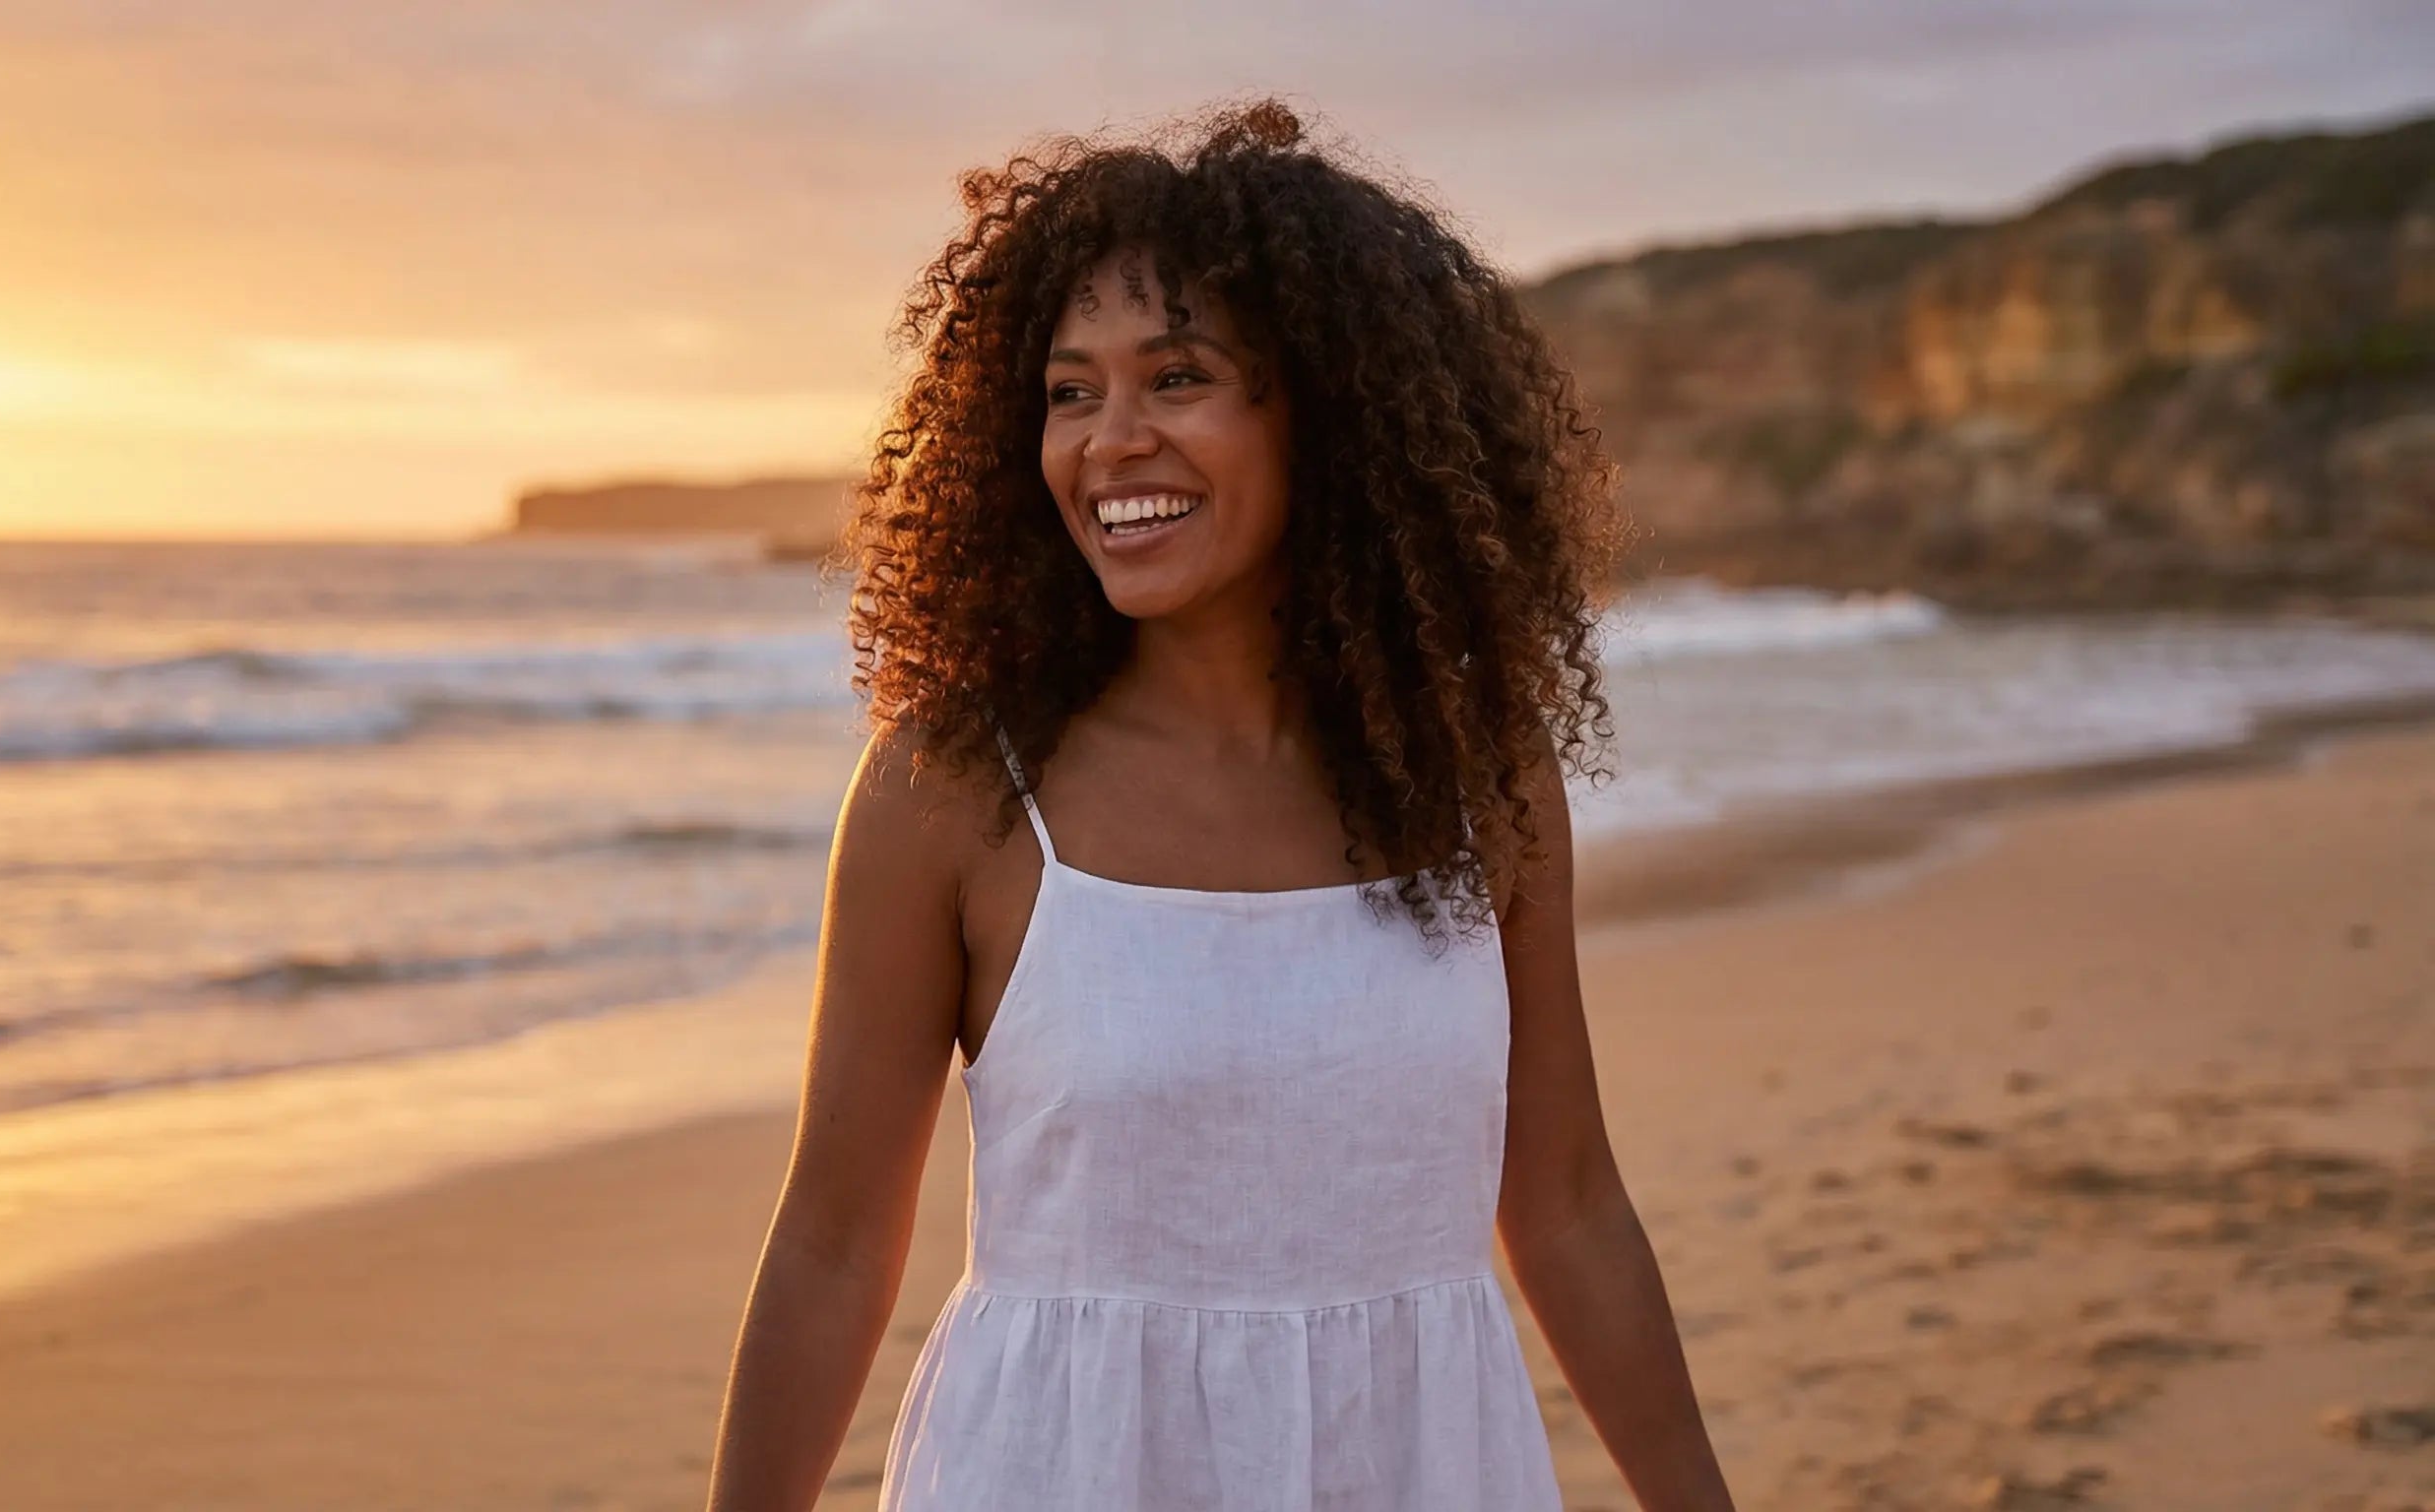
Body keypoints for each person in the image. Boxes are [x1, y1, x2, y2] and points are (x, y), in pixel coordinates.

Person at [708, 97, 1736, 1511]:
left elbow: (1562, 1206)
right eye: (1070, 391)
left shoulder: (1479, 779)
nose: (1109, 441)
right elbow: (831, 1243)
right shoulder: (954, 793)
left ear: (1327, 408)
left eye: (1176, 376)